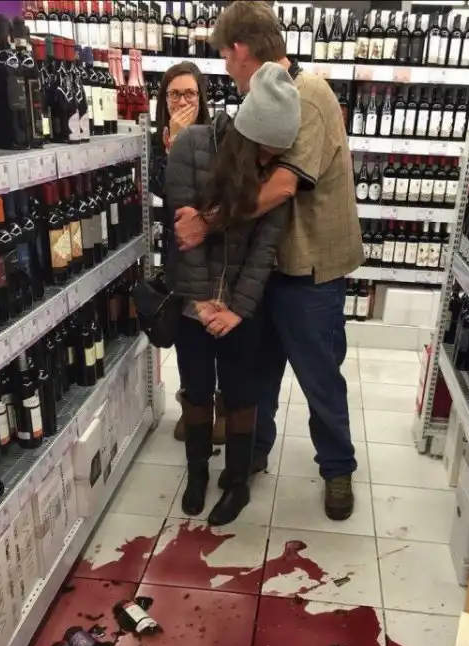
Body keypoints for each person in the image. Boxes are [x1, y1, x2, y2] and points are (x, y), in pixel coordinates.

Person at [174, 1, 364, 522]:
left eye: (225, 56)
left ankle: (337, 467)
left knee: (318, 375)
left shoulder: (309, 94)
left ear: (240, 50)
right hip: (266, 267)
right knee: (260, 374)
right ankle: (254, 451)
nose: (226, 68)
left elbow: (280, 186)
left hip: (311, 267)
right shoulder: (265, 96)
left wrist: (206, 223)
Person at [165, 62, 299, 526]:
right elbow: (184, 235)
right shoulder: (189, 146)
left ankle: (238, 482)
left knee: (243, 393)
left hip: (243, 307)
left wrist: (238, 309)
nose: (268, 164)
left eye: (276, 156)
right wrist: (203, 302)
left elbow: (266, 247)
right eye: (263, 152)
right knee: (197, 389)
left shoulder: (275, 169)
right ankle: (197, 472)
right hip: (192, 302)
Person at [151, 61, 226, 446]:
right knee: (190, 341)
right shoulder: (155, 143)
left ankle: (223, 407)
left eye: (190, 94)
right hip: (180, 256)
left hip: (216, 255)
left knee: (221, 339)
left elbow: (219, 197)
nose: (182, 102)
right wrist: (172, 150)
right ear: (164, 100)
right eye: (175, 94)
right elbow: (163, 194)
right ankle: (193, 403)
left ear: (202, 98)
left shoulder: (219, 138)